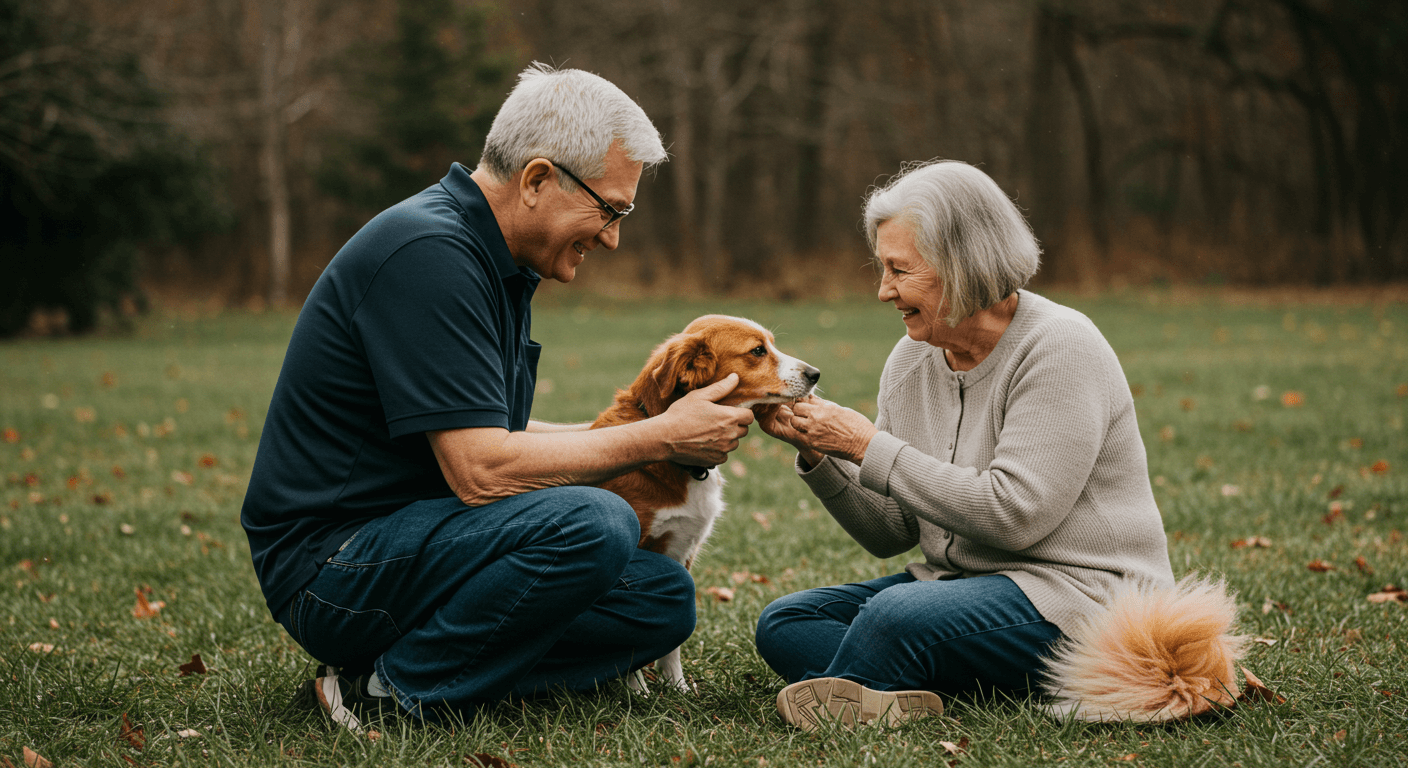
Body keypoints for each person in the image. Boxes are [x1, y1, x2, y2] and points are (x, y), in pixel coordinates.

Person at [240, 63, 755, 730]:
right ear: (538, 180)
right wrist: (660, 437)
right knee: (595, 522)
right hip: (336, 569)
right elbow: (481, 468)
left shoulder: (494, 261)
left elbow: (491, 429)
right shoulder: (429, 253)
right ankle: (385, 692)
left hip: (418, 541)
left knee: (660, 599)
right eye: (610, 208)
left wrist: (646, 427)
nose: (611, 236)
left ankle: (444, 670)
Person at [754, 160, 1175, 730]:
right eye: (883, 269)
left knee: (895, 617)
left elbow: (1014, 515)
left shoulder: (1060, 347)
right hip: (960, 591)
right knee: (786, 623)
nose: (884, 291)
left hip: (1082, 597)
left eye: (899, 270)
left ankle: (876, 682)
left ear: (961, 263)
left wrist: (865, 444)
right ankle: (898, 687)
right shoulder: (910, 362)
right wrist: (820, 453)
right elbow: (891, 532)